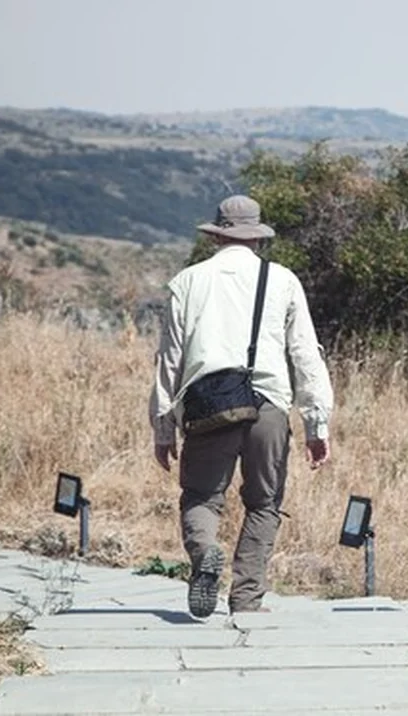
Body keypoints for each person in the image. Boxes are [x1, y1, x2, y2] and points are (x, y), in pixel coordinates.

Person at [148, 194, 334, 618]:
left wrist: (163, 428)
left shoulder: (187, 281)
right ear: (256, 238)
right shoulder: (283, 280)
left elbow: (169, 361)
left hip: (207, 403)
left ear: (216, 235)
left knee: (201, 496)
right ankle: (247, 600)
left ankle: (206, 552)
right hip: (268, 404)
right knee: (264, 504)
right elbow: (306, 354)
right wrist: (316, 424)